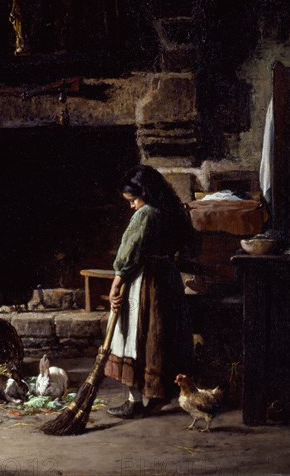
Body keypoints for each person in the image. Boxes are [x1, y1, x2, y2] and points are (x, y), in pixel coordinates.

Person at [105, 164, 194, 419]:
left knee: (135, 335)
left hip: (146, 282)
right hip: (168, 281)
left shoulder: (145, 215)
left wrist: (116, 282)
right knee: (161, 337)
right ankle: (159, 396)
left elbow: (129, 253)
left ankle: (134, 401)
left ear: (145, 193)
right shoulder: (171, 212)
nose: (132, 206)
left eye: (133, 200)